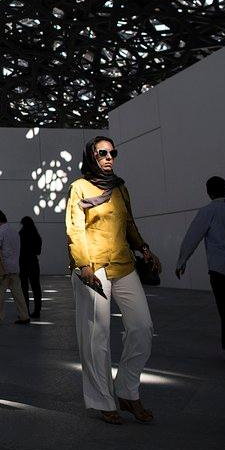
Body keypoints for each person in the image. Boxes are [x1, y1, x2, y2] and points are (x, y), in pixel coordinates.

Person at [67, 135, 159, 425]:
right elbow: (75, 228)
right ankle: (103, 400)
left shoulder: (119, 187)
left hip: (123, 264)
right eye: (102, 152)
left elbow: (128, 223)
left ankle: (127, 390)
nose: (109, 157)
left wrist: (143, 248)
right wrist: (83, 265)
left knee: (142, 327)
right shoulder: (79, 187)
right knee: (97, 336)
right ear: (91, 155)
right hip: (93, 268)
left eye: (112, 152)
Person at [175, 176, 225, 371]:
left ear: (208, 192)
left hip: (221, 269)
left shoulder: (208, 211)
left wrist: (182, 260)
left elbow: (193, 236)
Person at [0, 211, 30, 325]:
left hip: (2, 269)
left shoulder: (0, 231)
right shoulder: (14, 231)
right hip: (14, 267)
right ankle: (24, 316)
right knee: (18, 294)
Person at [18, 216, 43, 318]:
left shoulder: (20, 235)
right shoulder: (36, 236)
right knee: (36, 287)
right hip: (33, 263)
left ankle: (25, 311)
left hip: (23, 263)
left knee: (24, 288)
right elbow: (38, 251)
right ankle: (37, 311)